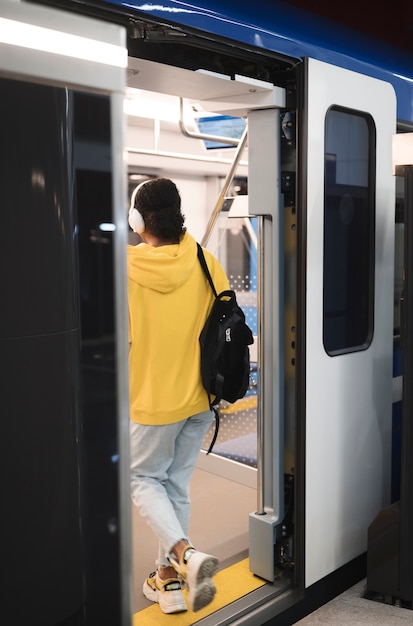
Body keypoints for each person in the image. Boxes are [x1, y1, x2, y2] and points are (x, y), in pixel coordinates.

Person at [127, 177, 230, 615]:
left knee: (142, 479)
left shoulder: (126, 268)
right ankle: (168, 584)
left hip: (154, 400)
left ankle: (186, 555)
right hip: (201, 399)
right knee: (174, 485)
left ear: (137, 220)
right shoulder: (207, 262)